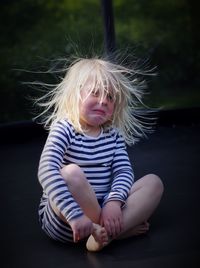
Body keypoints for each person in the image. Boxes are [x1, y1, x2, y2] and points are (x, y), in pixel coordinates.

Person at [37, 56, 164, 252]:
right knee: (70, 174)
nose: (103, 101)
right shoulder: (64, 128)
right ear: (75, 95)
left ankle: (105, 236)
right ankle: (118, 232)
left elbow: (123, 172)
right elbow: (46, 169)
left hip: (103, 210)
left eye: (110, 97)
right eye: (95, 93)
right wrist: (75, 215)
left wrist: (114, 202)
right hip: (68, 220)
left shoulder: (112, 134)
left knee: (153, 183)